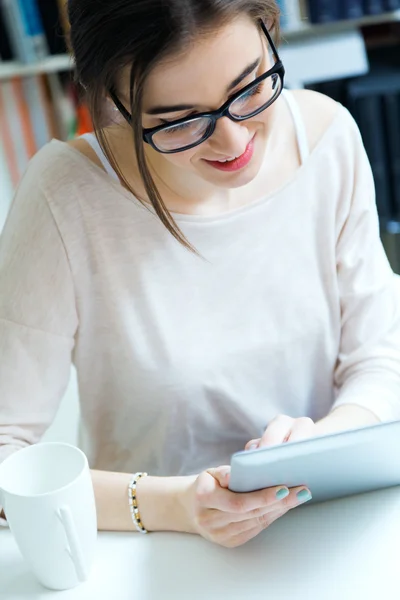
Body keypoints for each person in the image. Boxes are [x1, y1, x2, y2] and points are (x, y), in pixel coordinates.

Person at [0, 0, 400, 548]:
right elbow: (5, 457)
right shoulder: (65, 194)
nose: (234, 143)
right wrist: (178, 505)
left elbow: (380, 356)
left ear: (268, 29)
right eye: (181, 122)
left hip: (333, 530)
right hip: (154, 554)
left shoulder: (328, 138)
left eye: (251, 87)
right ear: (112, 105)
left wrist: (325, 440)